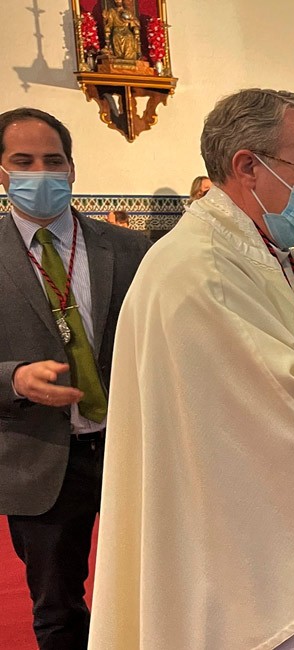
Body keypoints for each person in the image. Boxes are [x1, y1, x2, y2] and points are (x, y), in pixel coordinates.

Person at [90, 89, 294, 648]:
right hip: (241, 555)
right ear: (248, 165)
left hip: (262, 528)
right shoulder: (201, 274)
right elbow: (285, 416)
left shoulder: (262, 253)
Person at [0, 107, 150, 649]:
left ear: (71, 168)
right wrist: (14, 378)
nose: (41, 172)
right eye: (23, 161)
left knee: (145, 587)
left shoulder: (130, 249)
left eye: (53, 160)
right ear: (1, 171)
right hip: (38, 455)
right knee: (58, 607)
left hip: (129, 449)